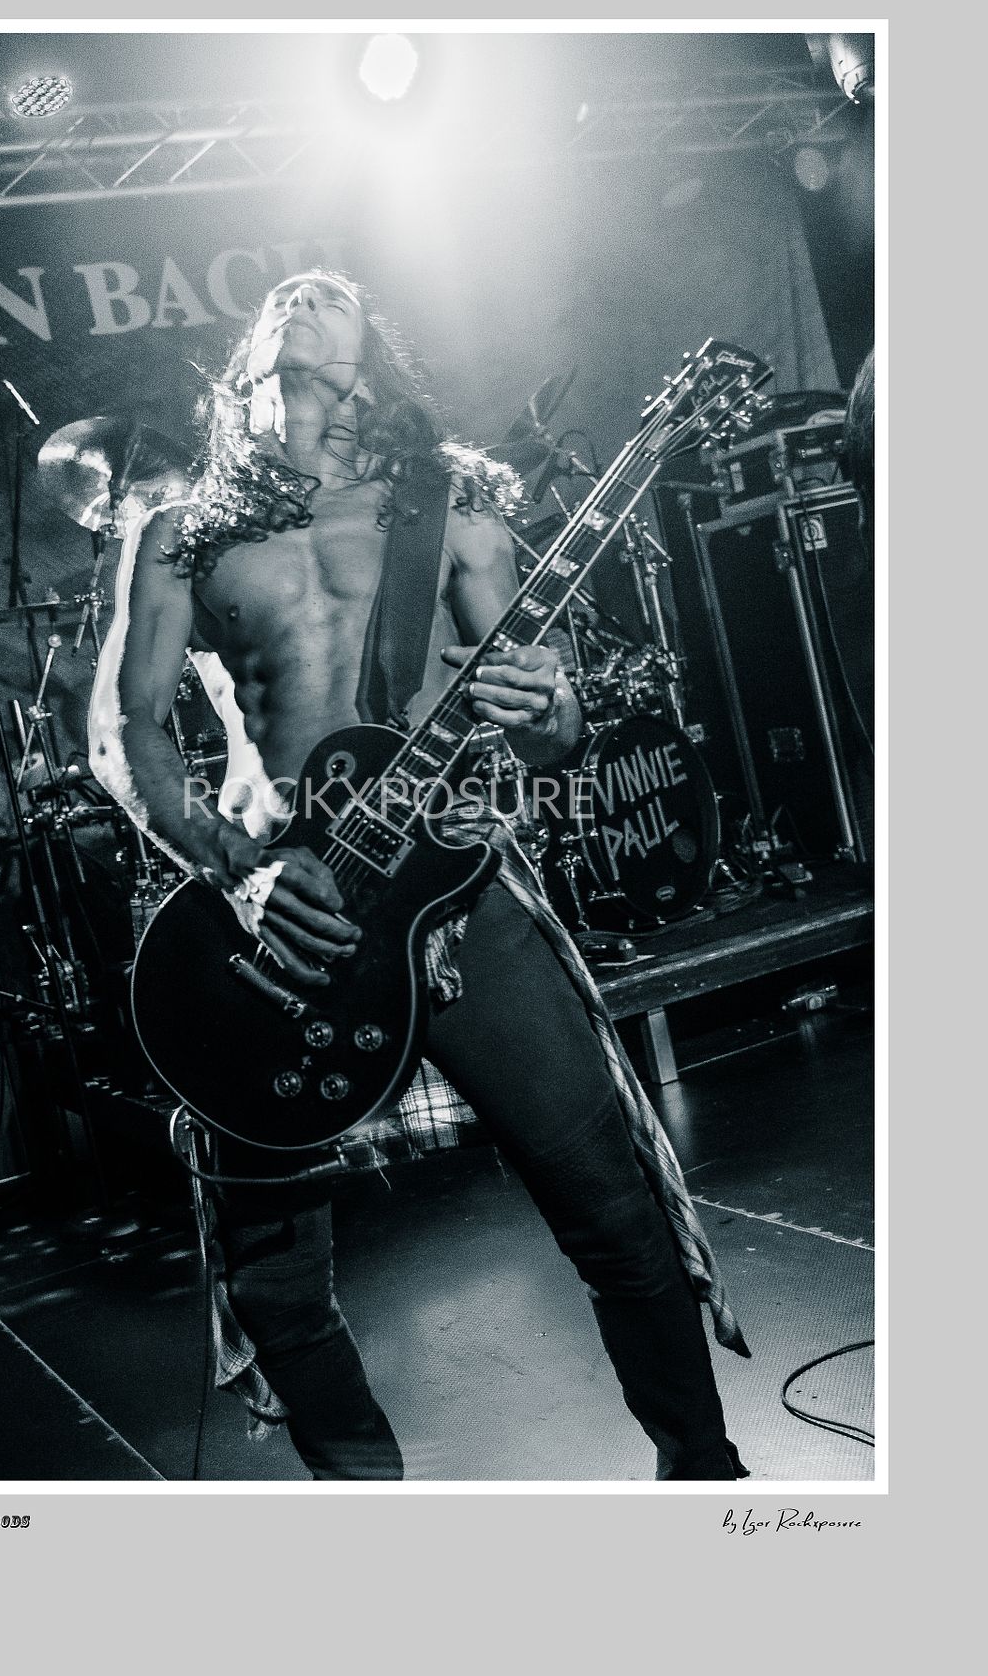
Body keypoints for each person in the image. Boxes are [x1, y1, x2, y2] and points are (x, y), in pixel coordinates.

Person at [89, 270, 748, 1480]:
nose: (303, 290)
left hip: (455, 900)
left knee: (613, 1211)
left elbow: (551, 730)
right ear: (246, 366)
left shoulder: (452, 506)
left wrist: (551, 709)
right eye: (284, 297)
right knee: (277, 1283)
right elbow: (121, 733)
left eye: (331, 293)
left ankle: (706, 1478)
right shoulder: (182, 531)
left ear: (370, 364)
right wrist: (238, 874)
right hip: (278, 920)